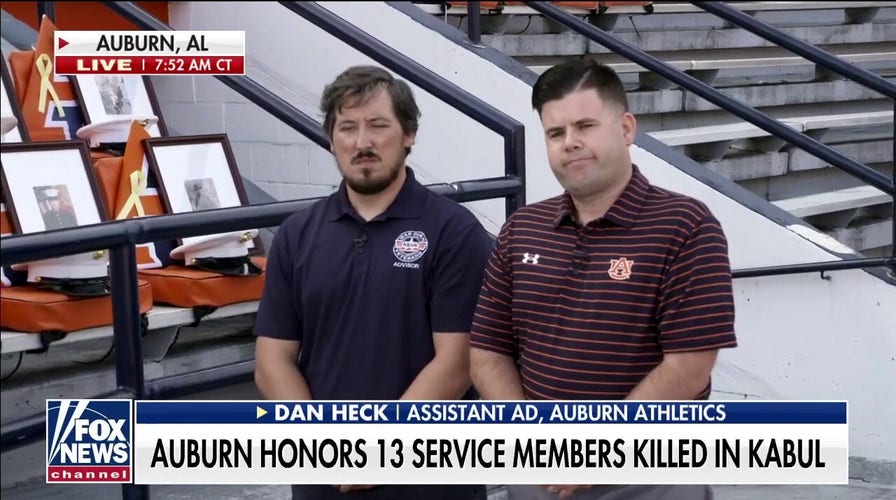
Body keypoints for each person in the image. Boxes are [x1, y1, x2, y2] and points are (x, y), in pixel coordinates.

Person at [469, 59, 738, 499]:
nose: (570, 143)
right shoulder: (521, 229)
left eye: (585, 126)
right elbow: (487, 351)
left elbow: (688, 367)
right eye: (556, 134)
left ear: (626, 128)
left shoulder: (686, 226)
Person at [253, 65, 492, 500]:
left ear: (409, 134)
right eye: (347, 128)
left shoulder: (454, 231)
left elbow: (458, 362)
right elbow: (273, 359)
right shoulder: (297, 234)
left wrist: (382, 448)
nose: (362, 142)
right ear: (332, 140)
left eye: (378, 125)